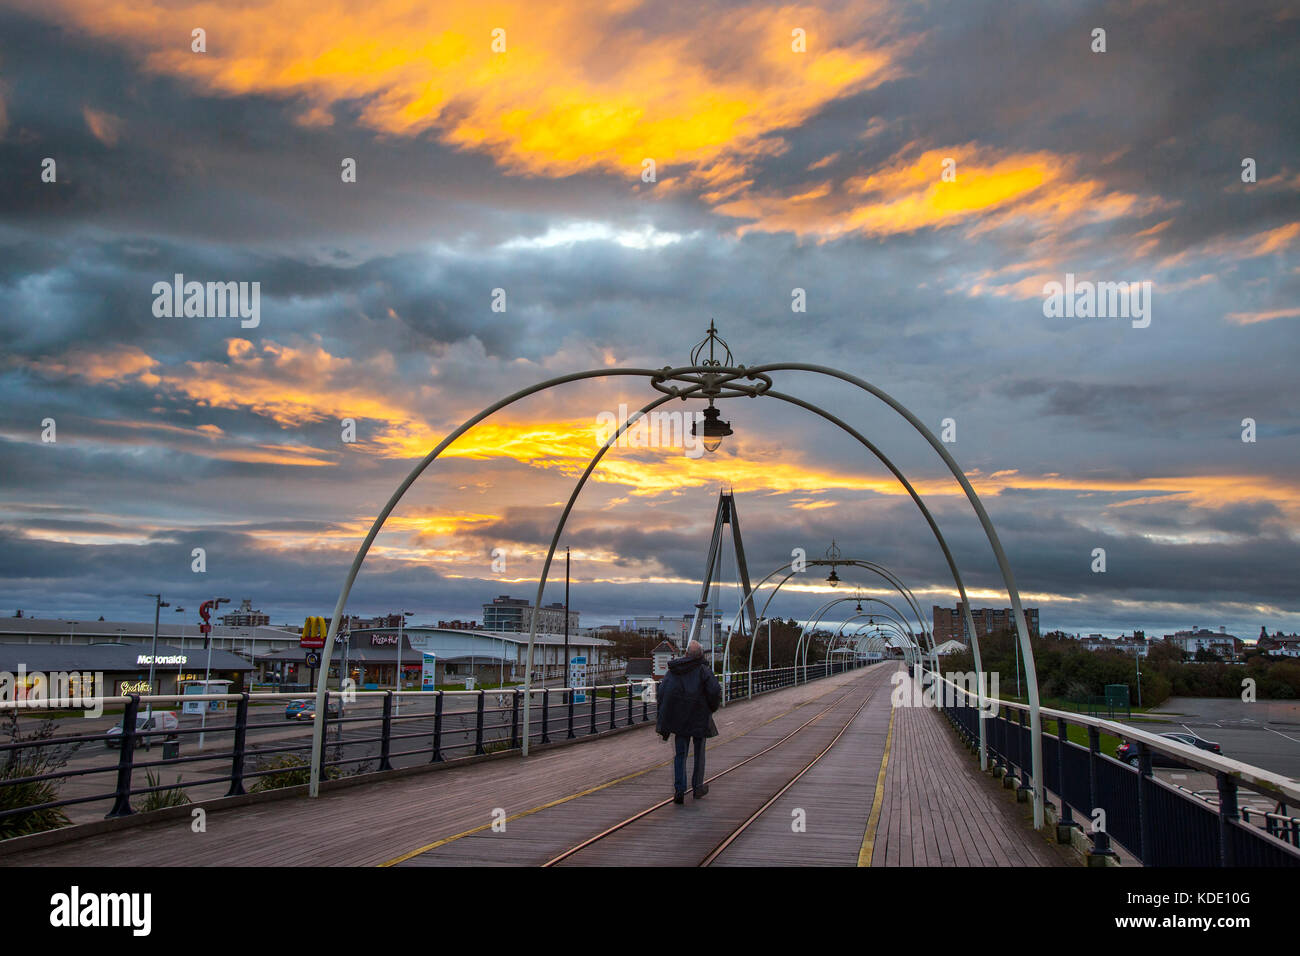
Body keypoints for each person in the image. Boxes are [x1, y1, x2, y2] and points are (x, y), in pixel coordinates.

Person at [655, 640, 722, 804]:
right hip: (699, 718)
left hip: (679, 720)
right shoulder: (703, 671)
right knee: (699, 753)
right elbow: (714, 691)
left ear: (686, 654)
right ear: (701, 655)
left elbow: (662, 693)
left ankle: (679, 789)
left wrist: (667, 714)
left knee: (680, 754)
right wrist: (710, 709)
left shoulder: (674, 671)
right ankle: (697, 787)